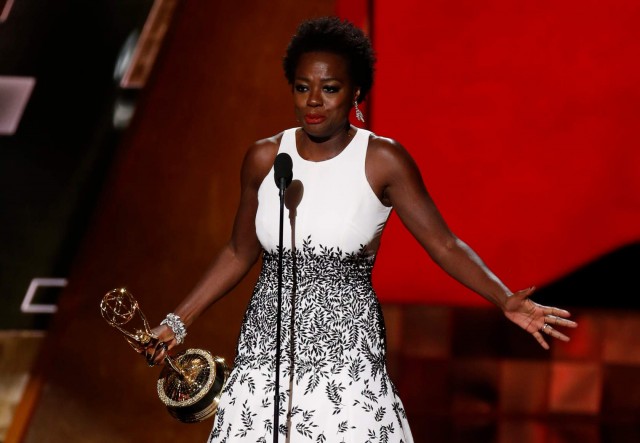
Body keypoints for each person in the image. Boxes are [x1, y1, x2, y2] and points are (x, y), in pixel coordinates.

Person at [146, 17, 577, 442]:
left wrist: (503, 298)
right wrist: (176, 323)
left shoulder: (382, 160)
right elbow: (239, 252)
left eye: (329, 89)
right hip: (265, 350)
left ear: (355, 91)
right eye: (302, 87)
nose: (313, 101)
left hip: (345, 358)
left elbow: (444, 244)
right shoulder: (265, 158)